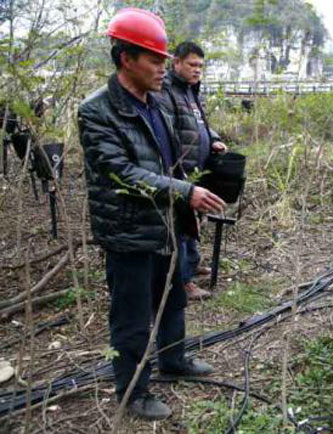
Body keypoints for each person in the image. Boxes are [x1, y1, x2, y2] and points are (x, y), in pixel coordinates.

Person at [78, 8, 227, 420]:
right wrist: (185, 192)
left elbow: (169, 158)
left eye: (164, 59)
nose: (164, 68)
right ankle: (134, 391)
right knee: (132, 316)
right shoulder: (97, 111)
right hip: (128, 231)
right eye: (155, 60)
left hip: (164, 225)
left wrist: (189, 197)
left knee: (173, 298)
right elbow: (122, 173)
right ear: (127, 59)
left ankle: (173, 360)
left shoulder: (156, 103)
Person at [158, 41, 228, 299]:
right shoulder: (166, 91)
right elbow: (167, 131)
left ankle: (192, 264)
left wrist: (214, 138)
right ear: (176, 62)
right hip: (179, 171)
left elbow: (198, 124)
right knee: (183, 225)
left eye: (200, 65)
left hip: (197, 168)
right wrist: (177, 169)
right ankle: (183, 282)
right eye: (192, 64)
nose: (197, 70)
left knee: (196, 222)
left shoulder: (190, 91)